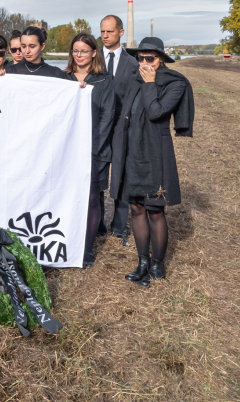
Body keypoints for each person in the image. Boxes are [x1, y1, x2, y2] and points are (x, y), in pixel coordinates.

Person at [110, 37, 194, 288]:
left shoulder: (174, 83)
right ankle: (142, 262)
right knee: (136, 207)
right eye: (141, 58)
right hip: (131, 150)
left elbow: (157, 112)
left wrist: (149, 83)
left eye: (150, 58)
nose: (145, 63)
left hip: (155, 151)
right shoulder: (135, 80)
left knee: (155, 209)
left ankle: (158, 263)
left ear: (161, 59)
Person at [64, 34, 115, 268]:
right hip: (66, 151)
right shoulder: (62, 78)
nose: (80, 55)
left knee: (92, 198)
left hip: (95, 150)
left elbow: (107, 118)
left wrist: (90, 148)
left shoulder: (105, 81)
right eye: (76, 51)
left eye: (84, 51)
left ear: (94, 53)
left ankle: (86, 248)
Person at [100, 15, 140, 244]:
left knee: (121, 178)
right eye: (102, 32)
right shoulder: (91, 59)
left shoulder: (133, 64)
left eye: (110, 32)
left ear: (121, 33)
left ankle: (119, 226)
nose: (105, 36)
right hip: (96, 129)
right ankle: (96, 224)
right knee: (96, 176)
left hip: (122, 129)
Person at [0, 25, 67, 78]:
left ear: (42, 46)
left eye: (32, 46)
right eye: (23, 47)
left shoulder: (56, 73)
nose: (27, 51)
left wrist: (78, 86)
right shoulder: (9, 71)